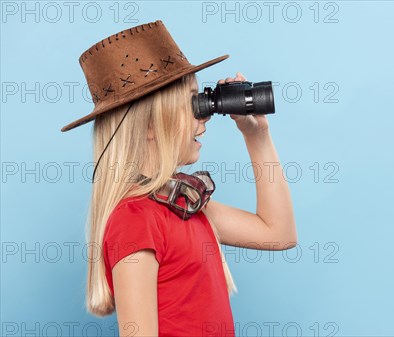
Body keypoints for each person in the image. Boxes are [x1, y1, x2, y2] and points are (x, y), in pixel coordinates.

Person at [61, 20, 297, 336]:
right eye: (191, 103)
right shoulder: (135, 220)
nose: (205, 114)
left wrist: (257, 135)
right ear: (148, 126)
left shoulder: (182, 204)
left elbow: (278, 233)